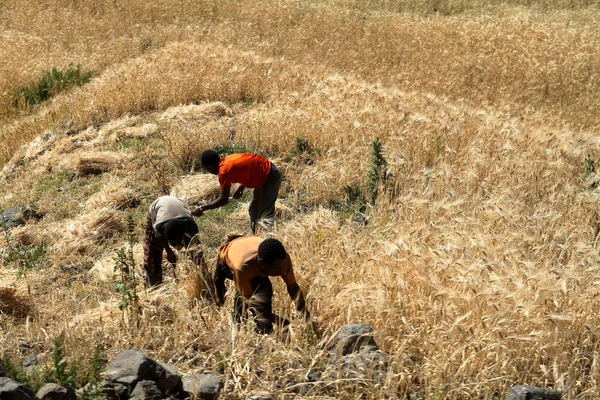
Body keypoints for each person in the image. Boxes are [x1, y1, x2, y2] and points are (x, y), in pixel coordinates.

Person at [214, 235, 309, 334]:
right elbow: (248, 301)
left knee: (264, 292)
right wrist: (280, 321)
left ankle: (265, 330)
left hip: (246, 243)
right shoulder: (242, 267)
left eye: (281, 267)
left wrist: (305, 314)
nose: (280, 271)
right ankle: (238, 329)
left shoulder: (283, 260)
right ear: (261, 263)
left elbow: (293, 288)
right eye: (276, 268)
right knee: (247, 298)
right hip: (228, 255)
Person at [192, 150, 281, 234]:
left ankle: (267, 240)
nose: (209, 172)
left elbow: (223, 200)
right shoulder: (226, 160)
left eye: (207, 169)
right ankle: (257, 237)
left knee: (265, 215)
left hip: (269, 177)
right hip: (264, 174)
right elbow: (249, 168)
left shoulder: (223, 172)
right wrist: (241, 187)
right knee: (253, 210)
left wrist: (202, 208)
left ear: (210, 165)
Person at [143, 195, 202, 287]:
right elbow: (160, 237)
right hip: (158, 207)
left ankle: (202, 277)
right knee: (152, 250)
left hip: (178, 207)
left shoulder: (190, 226)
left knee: (196, 253)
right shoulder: (158, 226)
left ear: (183, 235)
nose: (176, 246)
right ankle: (154, 284)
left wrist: (196, 258)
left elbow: (196, 246)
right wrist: (169, 251)